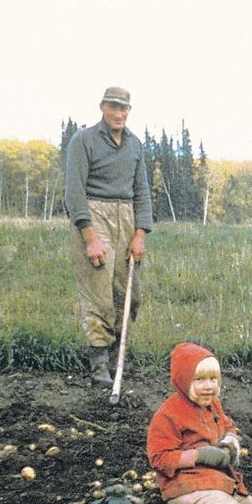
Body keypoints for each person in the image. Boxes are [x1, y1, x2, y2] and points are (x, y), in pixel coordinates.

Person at [64, 86, 153, 386]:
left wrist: (140, 234)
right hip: (94, 215)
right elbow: (74, 191)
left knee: (129, 295)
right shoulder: (83, 140)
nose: (118, 113)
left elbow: (142, 191)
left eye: (123, 108)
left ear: (129, 110)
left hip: (127, 217)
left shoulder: (135, 144)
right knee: (99, 293)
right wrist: (89, 238)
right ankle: (99, 364)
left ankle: (118, 357)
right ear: (102, 107)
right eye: (112, 107)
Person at [147, 342, 252, 504]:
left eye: (213, 379)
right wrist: (199, 456)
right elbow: (159, 458)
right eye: (199, 380)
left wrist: (230, 442)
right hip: (184, 486)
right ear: (184, 380)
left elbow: (228, 427)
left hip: (217, 481)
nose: (208, 386)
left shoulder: (213, 404)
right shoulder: (168, 414)